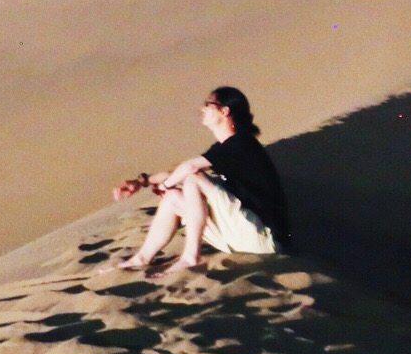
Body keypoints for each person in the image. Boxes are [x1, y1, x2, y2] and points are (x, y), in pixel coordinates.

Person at [111, 86, 292, 274]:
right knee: (172, 197)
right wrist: (143, 182)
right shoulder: (225, 148)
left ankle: (191, 257)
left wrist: (165, 185)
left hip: (263, 238)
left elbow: (190, 169)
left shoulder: (241, 144)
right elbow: (178, 170)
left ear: (224, 111)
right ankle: (142, 258)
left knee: (192, 179)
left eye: (208, 104)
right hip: (240, 235)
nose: (202, 109)